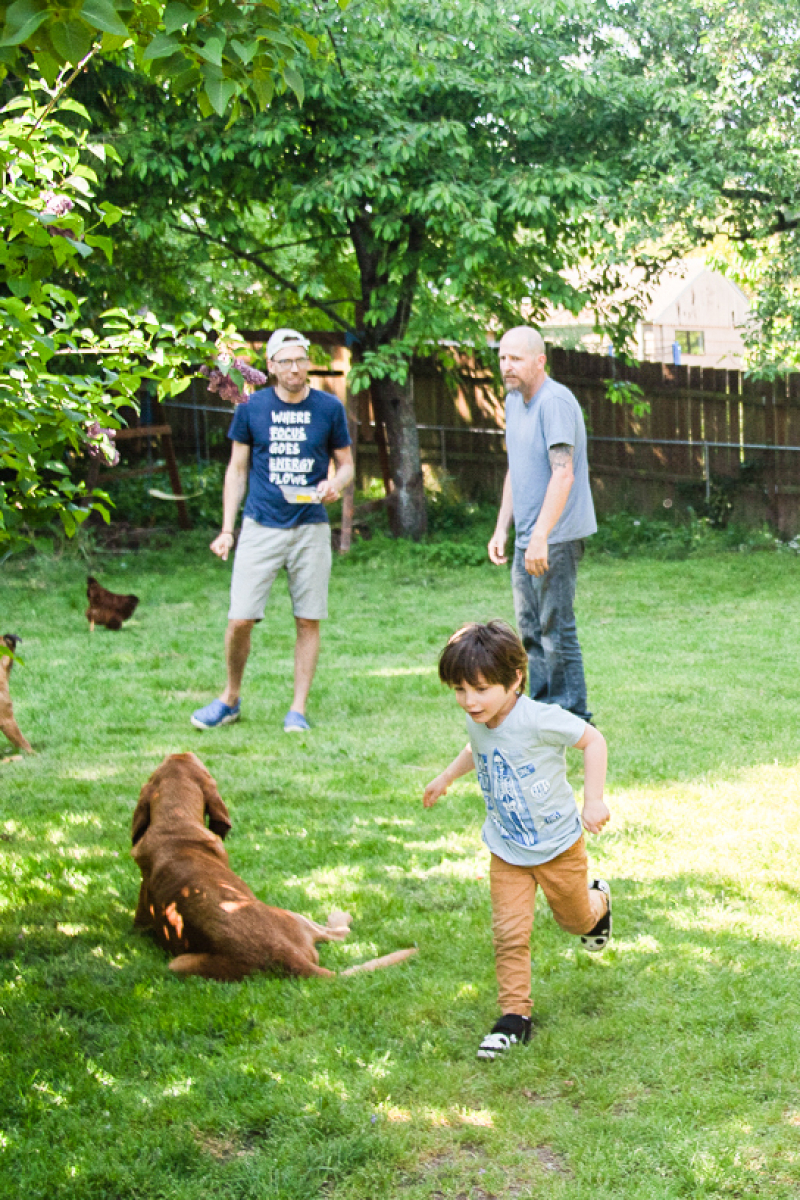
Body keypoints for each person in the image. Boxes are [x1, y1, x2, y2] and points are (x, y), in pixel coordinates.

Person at [423, 620, 610, 1061]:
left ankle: (597, 902)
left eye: (480, 689)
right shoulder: (479, 717)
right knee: (509, 933)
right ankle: (514, 1018)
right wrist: (447, 776)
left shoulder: (540, 719)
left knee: (575, 922)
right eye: (459, 690)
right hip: (507, 848)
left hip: (559, 846)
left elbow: (593, 740)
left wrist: (594, 800)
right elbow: (477, 749)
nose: (469, 701)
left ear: (515, 679)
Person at [191, 329, 354, 734]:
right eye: (286, 361)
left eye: (301, 359)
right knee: (240, 618)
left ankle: (297, 709)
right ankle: (230, 698)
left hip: (310, 527)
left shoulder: (329, 408)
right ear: (271, 366)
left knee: (308, 619)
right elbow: (238, 469)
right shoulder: (251, 407)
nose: (295, 368)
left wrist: (336, 484)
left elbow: (348, 464)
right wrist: (227, 529)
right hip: (260, 525)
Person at [488, 327, 597, 722]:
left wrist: (540, 536)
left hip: (556, 536)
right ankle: (543, 710)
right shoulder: (514, 401)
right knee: (530, 630)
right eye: (502, 358)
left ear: (539, 361)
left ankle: (573, 716)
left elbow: (562, 474)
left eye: (515, 358)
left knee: (556, 628)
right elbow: (515, 470)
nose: (506, 366)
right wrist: (503, 528)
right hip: (528, 537)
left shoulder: (555, 403)